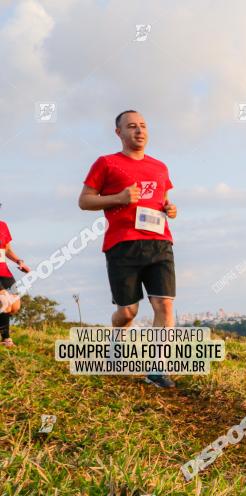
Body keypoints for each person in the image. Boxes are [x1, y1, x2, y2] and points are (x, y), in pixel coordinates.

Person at [78, 110, 178, 388]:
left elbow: (164, 200)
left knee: (164, 304)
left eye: (143, 126)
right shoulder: (106, 163)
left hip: (160, 242)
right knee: (128, 312)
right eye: (131, 126)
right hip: (122, 245)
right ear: (118, 132)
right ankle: (117, 339)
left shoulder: (160, 167)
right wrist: (118, 198)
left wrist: (170, 209)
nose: (139, 131)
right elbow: (84, 201)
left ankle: (158, 369)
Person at [0, 215, 32, 347]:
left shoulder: (2, 225)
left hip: (3, 270)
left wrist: (19, 261)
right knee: (4, 302)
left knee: (14, 306)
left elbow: (7, 249)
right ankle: (6, 339)